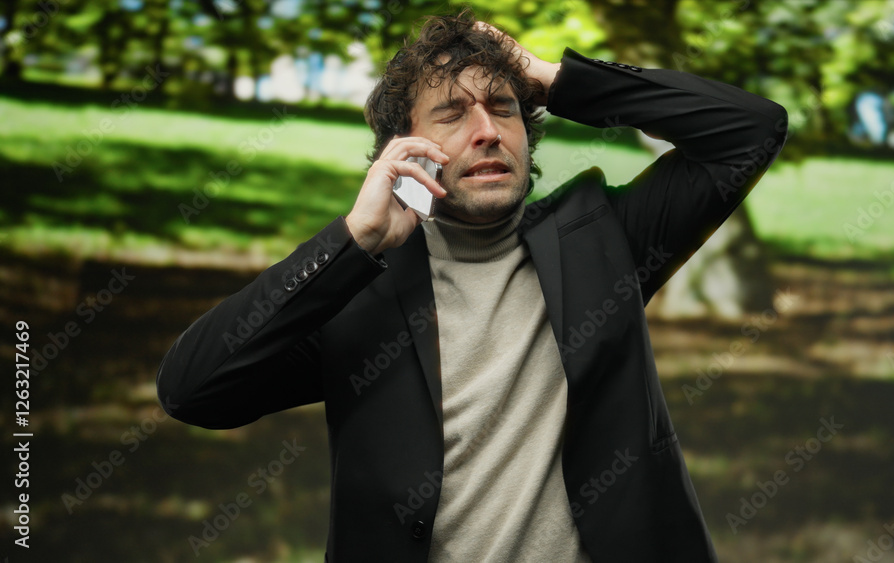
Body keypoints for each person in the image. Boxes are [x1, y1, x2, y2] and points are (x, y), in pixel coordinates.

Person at [157, 10, 787, 562]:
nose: (487, 130)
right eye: (452, 113)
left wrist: (551, 77)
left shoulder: (602, 236)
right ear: (403, 150)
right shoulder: (358, 293)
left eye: (504, 107)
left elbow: (749, 131)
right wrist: (353, 240)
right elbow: (192, 390)